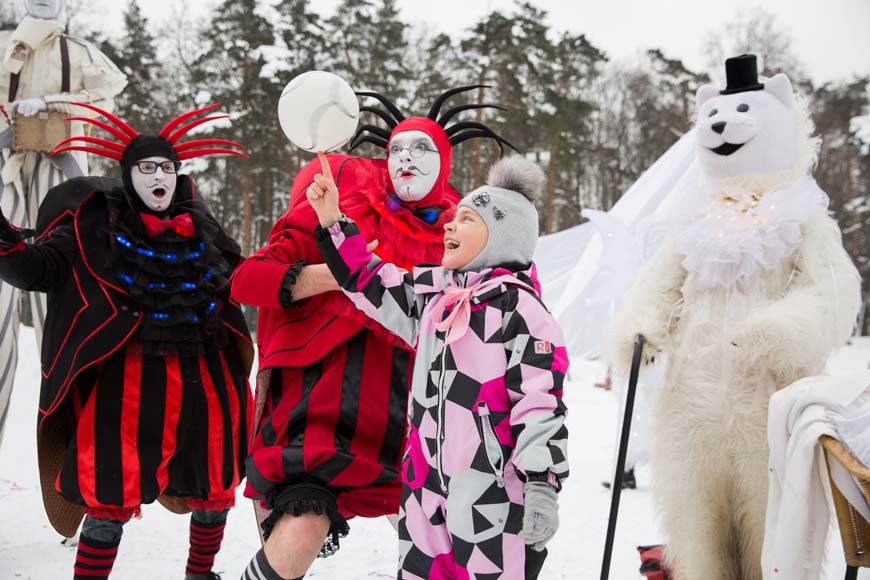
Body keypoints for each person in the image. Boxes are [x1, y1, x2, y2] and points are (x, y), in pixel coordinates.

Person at [232, 86, 515, 580]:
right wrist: (333, 274)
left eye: (422, 149)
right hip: (319, 406)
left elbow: (498, 309)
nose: (407, 159)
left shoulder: (463, 232)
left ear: (444, 163)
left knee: (449, 549)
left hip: (413, 420)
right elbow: (246, 281)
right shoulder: (337, 208)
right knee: (299, 533)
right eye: (397, 150)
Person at [0, 102, 253, 580]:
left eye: (167, 167)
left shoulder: (202, 225)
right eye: (147, 167)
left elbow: (242, 275)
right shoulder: (92, 228)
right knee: (109, 487)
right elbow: (37, 269)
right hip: (128, 383)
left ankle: (200, 574)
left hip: (208, 375)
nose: (159, 176)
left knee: (216, 480)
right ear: (128, 174)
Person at [309, 153, 569, 579]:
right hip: (424, 489)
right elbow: (371, 282)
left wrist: (542, 483)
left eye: (466, 219)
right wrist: (334, 221)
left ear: (501, 235)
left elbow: (540, 402)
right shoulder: (434, 299)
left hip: (494, 496)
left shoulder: (520, 309)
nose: (449, 224)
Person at [0, 0, 127, 444]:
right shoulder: (4, 48)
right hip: (6, 175)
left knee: (65, 303)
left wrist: (52, 105)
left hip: (62, 183)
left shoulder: (81, 53)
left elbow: (103, 106)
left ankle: (72, 446)